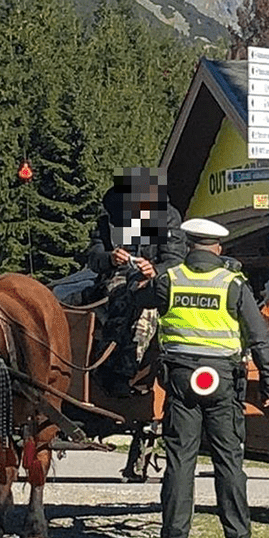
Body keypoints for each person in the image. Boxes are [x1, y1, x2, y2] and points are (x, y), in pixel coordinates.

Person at [134, 217, 269, 538]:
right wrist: (268, 383)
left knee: (180, 459)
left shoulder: (170, 279)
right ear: (218, 248)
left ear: (188, 246)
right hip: (223, 380)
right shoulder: (233, 283)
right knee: (229, 460)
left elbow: (139, 299)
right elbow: (258, 336)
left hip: (181, 379)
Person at [85, 168, 185, 398]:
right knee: (121, 298)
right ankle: (106, 365)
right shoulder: (110, 218)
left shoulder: (167, 218)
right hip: (118, 276)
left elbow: (176, 259)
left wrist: (155, 269)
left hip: (155, 278)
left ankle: (123, 371)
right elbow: (93, 257)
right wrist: (110, 258)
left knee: (146, 308)